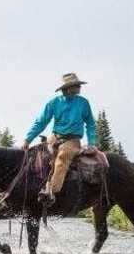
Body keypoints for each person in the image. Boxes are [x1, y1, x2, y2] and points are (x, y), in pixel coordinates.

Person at [23, 73, 97, 205]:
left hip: (73, 140)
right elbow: (41, 122)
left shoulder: (83, 103)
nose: (79, 87)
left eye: (78, 85)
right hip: (54, 137)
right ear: (68, 88)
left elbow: (90, 123)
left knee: (62, 159)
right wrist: (27, 140)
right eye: (76, 85)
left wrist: (92, 143)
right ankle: (28, 187)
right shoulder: (54, 103)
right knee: (38, 155)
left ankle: (50, 192)